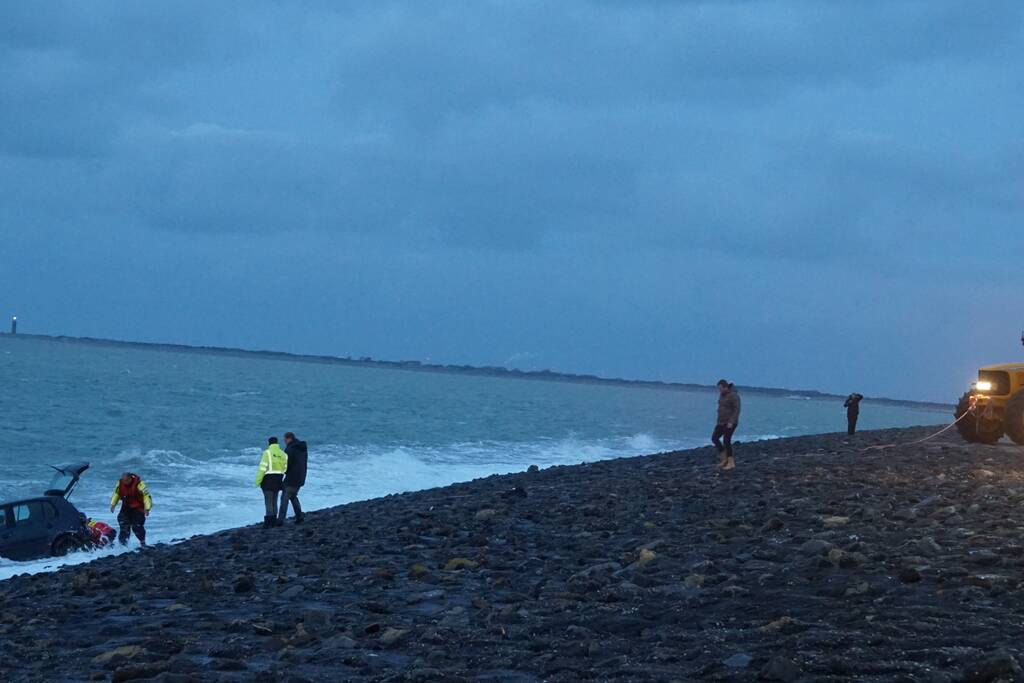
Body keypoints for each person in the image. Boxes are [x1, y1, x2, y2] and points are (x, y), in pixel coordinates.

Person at [109, 472, 153, 546]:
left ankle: (143, 543)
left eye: (126, 480)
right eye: (123, 480)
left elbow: (146, 496)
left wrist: (147, 508)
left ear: (130, 478)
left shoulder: (140, 484)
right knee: (124, 526)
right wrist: (113, 504)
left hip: (138, 508)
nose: (125, 482)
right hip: (126, 508)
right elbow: (116, 494)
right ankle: (122, 545)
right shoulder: (120, 483)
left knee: (137, 527)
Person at [256, 436, 288, 528]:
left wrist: (258, 481)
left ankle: (268, 522)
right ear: (277, 443)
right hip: (278, 480)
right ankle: (274, 521)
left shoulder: (267, 453)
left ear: (269, 443)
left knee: (268, 502)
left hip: (268, 481)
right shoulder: (283, 454)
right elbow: (285, 468)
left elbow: (262, 469)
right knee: (274, 501)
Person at [278, 432, 308, 525]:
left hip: (291, 477)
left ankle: (280, 520)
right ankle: (299, 517)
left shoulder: (290, 449)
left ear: (288, 438)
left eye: (285, 440)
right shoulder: (302, 448)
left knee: (285, 498)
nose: (284, 442)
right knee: (293, 496)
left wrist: (284, 472)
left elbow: (287, 464)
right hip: (301, 476)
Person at [712, 379, 741, 471]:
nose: (719, 391)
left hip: (730, 422)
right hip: (721, 421)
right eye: (718, 389)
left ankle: (731, 462)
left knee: (726, 440)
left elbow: (737, 409)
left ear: (725, 387)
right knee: (715, 438)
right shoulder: (722, 395)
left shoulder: (734, 395)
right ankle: (724, 458)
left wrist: (731, 422)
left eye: (720, 388)